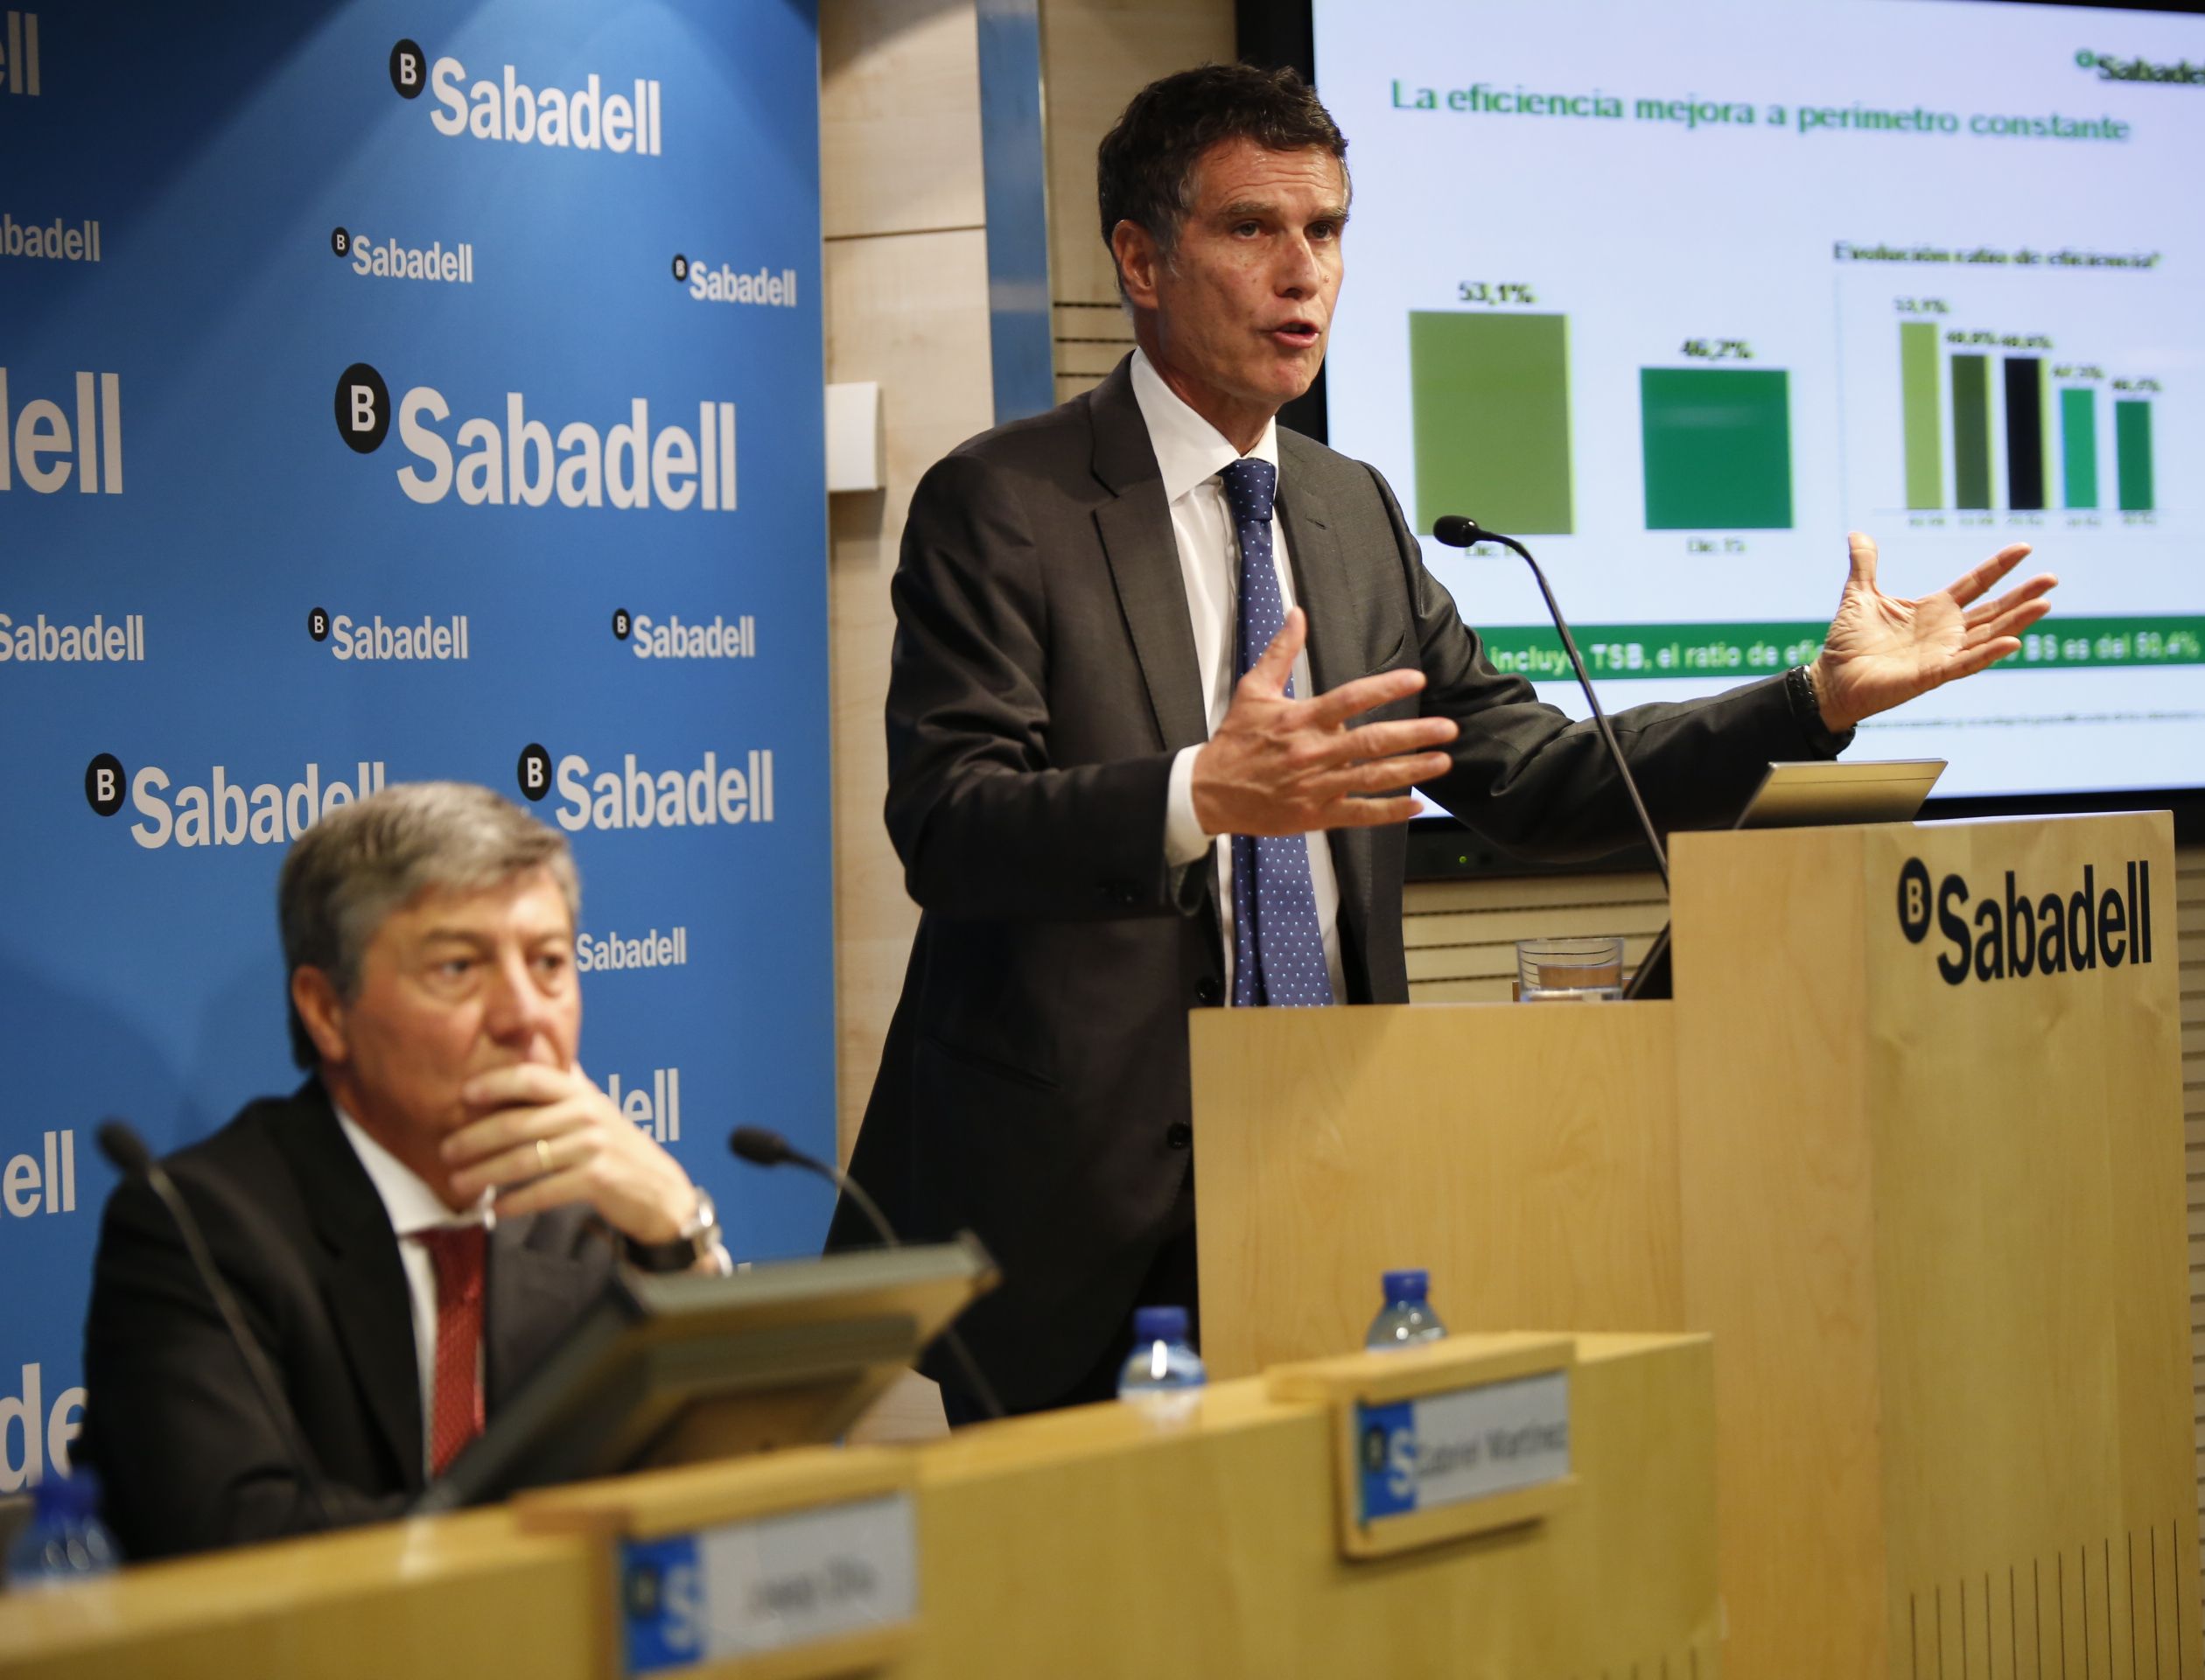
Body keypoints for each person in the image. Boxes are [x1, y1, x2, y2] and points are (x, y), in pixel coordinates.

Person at [830, 65, 2054, 1418]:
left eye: (1327, 230)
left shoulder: (1350, 510)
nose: (1303, 271)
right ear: (1141, 259)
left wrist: (1808, 704)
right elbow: (949, 822)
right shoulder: (1007, 502)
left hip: (1333, 1164)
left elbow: (1528, 774)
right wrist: (1195, 794)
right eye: (1252, 228)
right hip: (1080, 1209)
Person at [82, 782, 730, 1559]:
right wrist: (546, 1544)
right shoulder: (201, 1231)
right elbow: (240, 1537)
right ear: (328, 1011)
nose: (524, 1015)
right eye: (459, 967)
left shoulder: (593, 1219)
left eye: (549, 963)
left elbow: (734, 1490)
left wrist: (676, 1234)